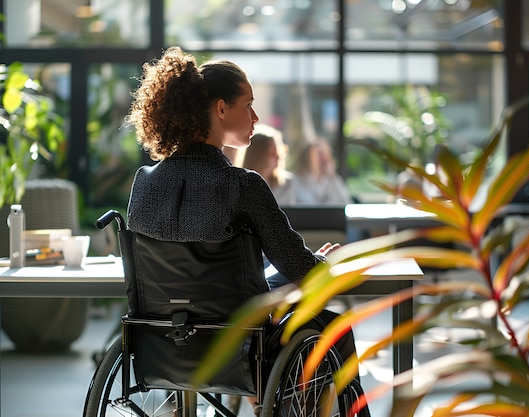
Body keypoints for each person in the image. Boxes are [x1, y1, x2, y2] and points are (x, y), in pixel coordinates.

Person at [124, 47, 369, 416]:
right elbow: (293, 264)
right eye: (248, 104)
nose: (256, 116)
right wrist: (321, 266)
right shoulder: (242, 185)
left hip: (160, 341)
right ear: (221, 109)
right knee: (336, 329)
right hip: (239, 345)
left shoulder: (144, 182)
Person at [242, 125, 296, 206]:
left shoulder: (287, 184)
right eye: (273, 151)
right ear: (257, 155)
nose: (278, 156)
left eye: (279, 150)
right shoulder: (240, 185)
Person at [294, 138, 353, 205]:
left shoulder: (333, 180)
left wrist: (332, 177)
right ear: (307, 157)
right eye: (319, 154)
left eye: (326, 154)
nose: (323, 159)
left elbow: (346, 202)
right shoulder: (296, 181)